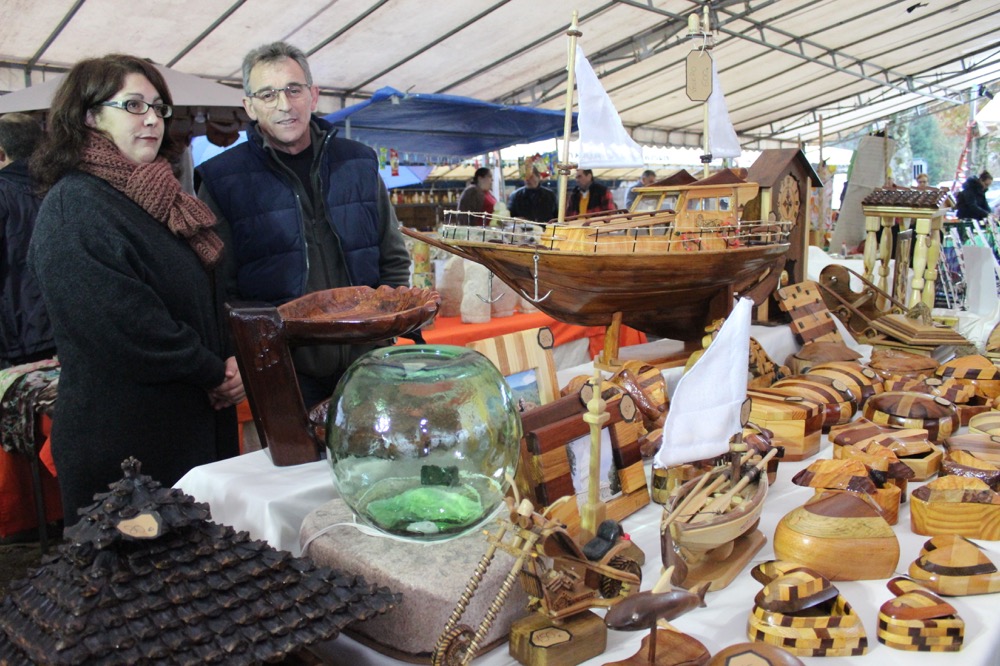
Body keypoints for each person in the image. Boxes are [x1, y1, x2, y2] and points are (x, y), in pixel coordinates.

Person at [27, 54, 243, 526]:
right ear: (89, 116)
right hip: (127, 447)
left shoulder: (159, 198)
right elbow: (125, 324)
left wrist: (230, 360)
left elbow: (200, 297)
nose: (151, 118)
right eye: (133, 105)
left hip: (191, 425)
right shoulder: (75, 206)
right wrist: (213, 371)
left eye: (158, 107)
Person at [197, 42, 410, 408]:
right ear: (249, 106)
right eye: (268, 94)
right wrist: (244, 354)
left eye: (294, 89)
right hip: (281, 369)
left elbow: (392, 257)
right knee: (295, 449)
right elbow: (218, 287)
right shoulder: (221, 179)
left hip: (367, 364)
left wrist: (383, 333)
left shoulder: (357, 162)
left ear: (313, 95)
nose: (284, 104)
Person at [0, 113, 56, 366]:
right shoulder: (65, 187)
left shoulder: (4, 192)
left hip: (15, 337)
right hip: (63, 328)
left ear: (1, 154)